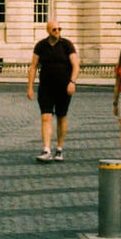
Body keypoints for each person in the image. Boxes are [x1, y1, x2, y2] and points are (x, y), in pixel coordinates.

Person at [27, 20, 79, 162]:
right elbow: (33, 66)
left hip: (63, 87)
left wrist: (72, 82)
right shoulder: (41, 46)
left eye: (59, 29)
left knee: (61, 117)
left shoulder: (66, 45)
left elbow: (75, 65)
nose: (57, 32)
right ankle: (46, 149)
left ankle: (59, 148)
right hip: (46, 87)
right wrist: (30, 87)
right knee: (46, 117)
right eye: (54, 29)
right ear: (48, 31)